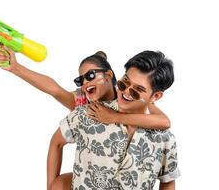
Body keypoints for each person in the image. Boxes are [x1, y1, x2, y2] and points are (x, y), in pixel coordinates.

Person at [48, 51, 180, 190]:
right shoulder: (89, 113)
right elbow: (56, 143)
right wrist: (51, 185)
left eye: (137, 90)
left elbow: (168, 181)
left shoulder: (164, 139)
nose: (126, 92)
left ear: (156, 96)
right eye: (124, 83)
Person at [0, 46, 170, 130]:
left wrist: (112, 116)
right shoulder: (83, 102)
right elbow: (54, 89)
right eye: (81, 80)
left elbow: (164, 122)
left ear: (108, 75)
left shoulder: (127, 95)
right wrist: (15, 68)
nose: (85, 83)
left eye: (91, 76)